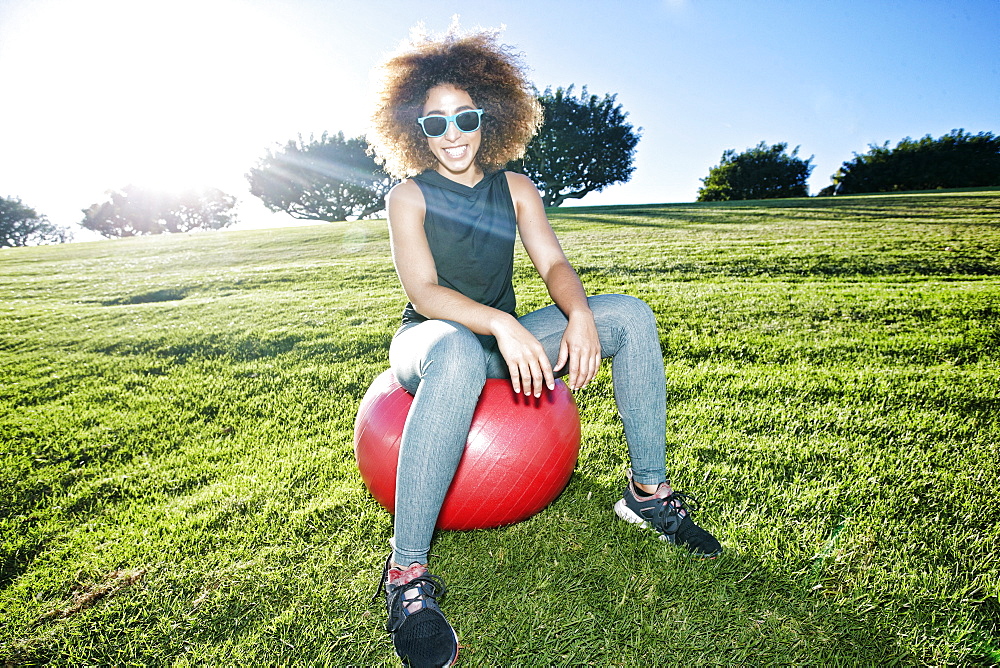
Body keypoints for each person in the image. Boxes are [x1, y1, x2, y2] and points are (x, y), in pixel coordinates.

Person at [367, 26, 722, 667]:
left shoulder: (517, 186)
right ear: (414, 129)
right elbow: (423, 292)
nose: (452, 135)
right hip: (431, 343)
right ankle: (406, 577)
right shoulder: (408, 197)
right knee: (452, 347)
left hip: (502, 340)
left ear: (489, 117)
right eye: (435, 123)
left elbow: (553, 263)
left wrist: (579, 314)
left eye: (465, 118)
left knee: (632, 318)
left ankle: (647, 495)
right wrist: (503, 326)